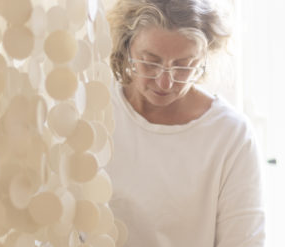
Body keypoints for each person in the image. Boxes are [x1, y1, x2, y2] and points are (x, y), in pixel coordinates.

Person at [105, 0, 265, 246]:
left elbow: (244, 240)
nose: (165, 83)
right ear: (127, 48)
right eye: (150, 62)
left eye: (183, 66)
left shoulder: (231, 136)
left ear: (204, 57)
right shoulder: (97, 118)